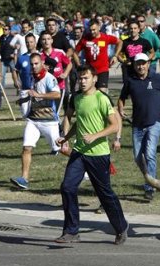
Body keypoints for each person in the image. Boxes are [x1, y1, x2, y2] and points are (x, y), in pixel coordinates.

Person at [54, 65, 128, 244]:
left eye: (86, 78)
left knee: (104, 193)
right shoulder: (76, 98)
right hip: (79, 152)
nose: (82, 81)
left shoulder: (102, 99)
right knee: (67, 187)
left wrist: (95, 136)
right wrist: (65, 138)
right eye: (80, 78)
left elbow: (114, 125)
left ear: (95, 79)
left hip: (99, 154)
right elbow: (79, 123)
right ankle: (71, 231)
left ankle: (121, 227)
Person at [117, 53, 160, 200]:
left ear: (148, 64)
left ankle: (150, 187)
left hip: (155, 121)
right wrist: (121, 109)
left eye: (143, 63)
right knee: (138, 157)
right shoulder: (131, 81)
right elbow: (122, 97)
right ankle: (149, 178)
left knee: (149, 153)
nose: (141, 66)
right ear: (135, 65)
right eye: (138, 64)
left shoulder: (156, 78)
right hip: (137, 123)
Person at [10, 54, 62, 190]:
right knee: (26, 147)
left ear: (42, 63)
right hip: (33, 120)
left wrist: (39, 95)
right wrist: (23, 100)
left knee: (60, 148)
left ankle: (85, 165)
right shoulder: (33, 77)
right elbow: (33, 94)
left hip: (49, 121)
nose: (33, 66)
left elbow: (57, 94)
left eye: (36, 63)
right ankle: (24, 179)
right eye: (32, 64)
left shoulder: (49, 78)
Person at [73, 21, 123, 92]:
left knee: (102, 92)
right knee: (88, 92)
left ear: (99, 28)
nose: (92, 32)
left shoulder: (105, 37)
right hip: (89, 71)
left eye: (94, 30)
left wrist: (115, 55)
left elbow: (120, 42)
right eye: (90, 30)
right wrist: (78, 65)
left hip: (102, 70)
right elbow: (75, 52)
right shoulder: (85, 39)